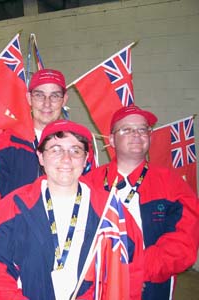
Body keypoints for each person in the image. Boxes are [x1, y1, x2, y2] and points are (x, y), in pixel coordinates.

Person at [0, 119, 106, 299]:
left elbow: (125, 268)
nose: (66, 159)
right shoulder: (10, 210)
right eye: (56, 150)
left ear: (85, 159)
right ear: (41, 157)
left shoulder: (108, 210)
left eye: (75, 150)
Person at [84, 105, 199, 299]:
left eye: (142, 129)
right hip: (98, 285)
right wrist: (109, 273)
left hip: (153, 286)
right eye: (126, 129)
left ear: (150, 136)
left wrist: (136, 271)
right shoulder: (89, 183)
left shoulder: (172, 183)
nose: (136, 134)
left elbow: (184, 243)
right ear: (111, 140)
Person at [0, 69, 70, 199]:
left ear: (64, 100)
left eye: (54, 96)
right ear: (29, 98)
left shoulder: (77, 145)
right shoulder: (6, 144)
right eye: (39, 95)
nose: (47, 104)